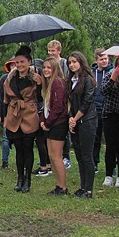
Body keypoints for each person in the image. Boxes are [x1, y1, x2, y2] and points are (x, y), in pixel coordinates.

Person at [3, 46, 41, 192]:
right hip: (14, 114)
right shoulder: (11, 77)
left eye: (22, 62)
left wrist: (39, 83)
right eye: (17, 62)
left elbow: (43, 95)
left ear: (29, 62)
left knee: (28, 148)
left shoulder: (35, 76)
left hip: (29, 114)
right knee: (18, 149)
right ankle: (19, 178)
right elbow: (5, 97)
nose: (19, 65)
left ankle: (28, 179)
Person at [67, 51, 97, 198]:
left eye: (74, 62)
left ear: (81, 62)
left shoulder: (88, 80)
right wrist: (71, 118)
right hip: (76, 120)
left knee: (87, 155)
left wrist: (75, 118)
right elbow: (71, 102)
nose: (72, 65)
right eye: (70, 62)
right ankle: (82, 186)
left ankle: (89, 189)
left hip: (87, 121)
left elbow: (87, 102)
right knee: (79, 155)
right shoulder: (72, 80)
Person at [40, 58, 69, 195]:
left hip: (58, 124)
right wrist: (42, 120)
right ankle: (58, 185)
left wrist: (47, 123)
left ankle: (63, 187)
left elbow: (58, 107)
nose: (46, 70)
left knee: (57, 156)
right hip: (50, 123)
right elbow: (45, 106)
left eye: (49, 68)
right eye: (44, 67)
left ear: (55, 69)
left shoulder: (58, 82)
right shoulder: (48, 84)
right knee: (51, 155)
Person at [101, 55, 119, 188]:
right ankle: (108, 175)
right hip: (109, 114)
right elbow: (103, 91)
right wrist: (113, 78)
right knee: (110, 146)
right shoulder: (109, 75)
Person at [47, 40, 72, 168]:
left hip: (62, 96)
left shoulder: (63, 63)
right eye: (49, 51)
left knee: (63, 132)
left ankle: (66, 156)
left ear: (59, 51)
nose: (51, 53)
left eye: (53, 51)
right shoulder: (48, 64)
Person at [91, 49, 112, 172]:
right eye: (101, 59)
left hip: (108, 107)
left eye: (106, 58)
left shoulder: (112, 72)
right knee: (95, 137)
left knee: (110, 138)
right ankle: (94, 162)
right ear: (96, 60)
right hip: (96, 107)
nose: (104, 61)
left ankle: (112, 165)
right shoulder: (92, 73)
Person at [0, 58, 16, 169]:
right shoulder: (4, 78)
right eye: (12, 65)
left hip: (22, 112)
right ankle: (5, 162)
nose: (14, 67)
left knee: (21, 139)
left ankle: (22, 161)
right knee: (6, 138)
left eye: (16, 64)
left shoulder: (25, 78)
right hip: (7, 111)